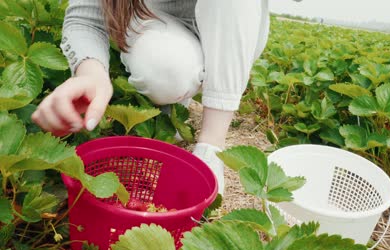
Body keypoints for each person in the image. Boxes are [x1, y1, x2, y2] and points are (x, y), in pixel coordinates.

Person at [31, 0, 271, 195]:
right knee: (164, 72)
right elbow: (85, 18)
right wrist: (91, 73)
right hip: (161, 21)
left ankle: (211, 145)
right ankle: (175, 98)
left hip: (238, 23)